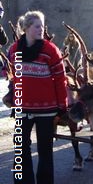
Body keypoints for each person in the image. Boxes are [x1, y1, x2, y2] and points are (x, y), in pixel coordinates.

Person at [7, 10, 68, 184]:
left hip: (46, 110)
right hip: (22, 109)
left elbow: (60, 79)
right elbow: (14, 77)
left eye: (42, 26)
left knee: (45, 150)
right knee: (20, 149)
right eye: (37, 26)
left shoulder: (51, 50)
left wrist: (62, 107)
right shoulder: (14, 50)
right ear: (26, 28)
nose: (41, 29)